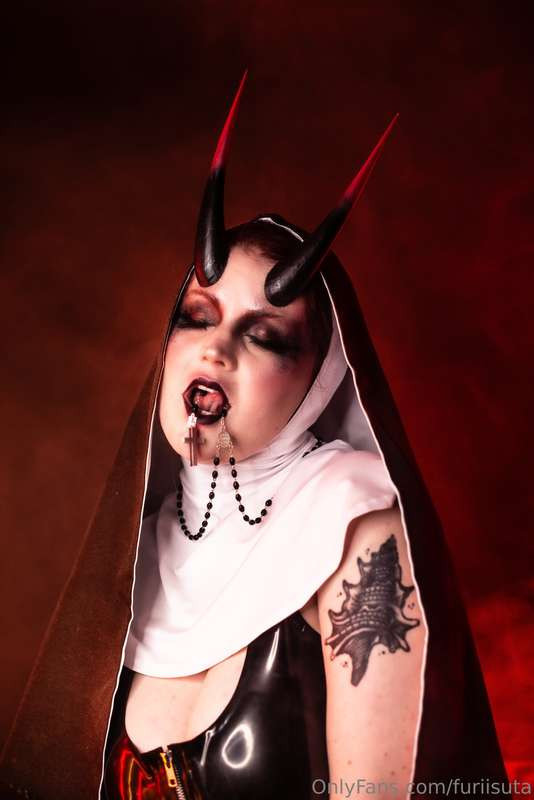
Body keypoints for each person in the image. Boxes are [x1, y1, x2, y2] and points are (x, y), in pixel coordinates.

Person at [0, 76, 508, 800]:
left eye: (264, 335)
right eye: (197, 317)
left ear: (320, 380)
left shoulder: (353, 525)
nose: (215, 350)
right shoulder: (136, 551)